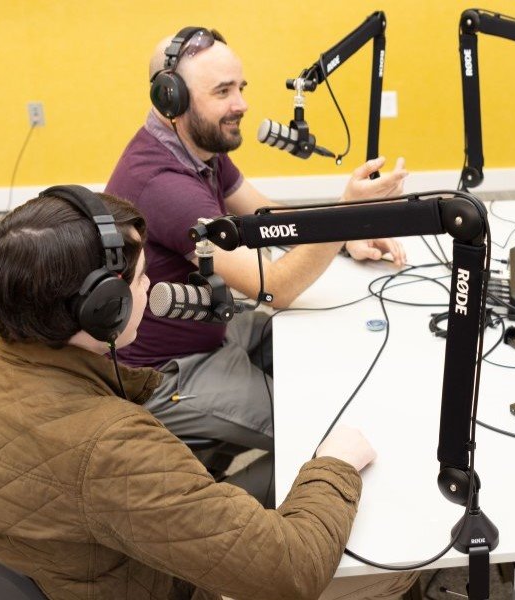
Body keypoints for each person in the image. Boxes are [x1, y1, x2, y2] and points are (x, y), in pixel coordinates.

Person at [0, 187, 416, 600]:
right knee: (396, 557)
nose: (150, 288)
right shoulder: (111, 445)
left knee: (282, 472)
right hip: (156, 579)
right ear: (103, 308)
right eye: (142, 278)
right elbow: (291, 571)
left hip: (89, 559)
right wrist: (336, 466)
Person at [104, 26, 410, 493]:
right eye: (223, 91)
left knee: (332, 341)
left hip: (214, 327)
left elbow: (267, 217)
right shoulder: (164, 185)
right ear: (172, 100)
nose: (241, 104)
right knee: (319, 439)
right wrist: (346, 218)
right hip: (172, 371)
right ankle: (228, 513)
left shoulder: (197, 145)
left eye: (240, 88)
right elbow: (276, 287)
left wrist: (342, 236)